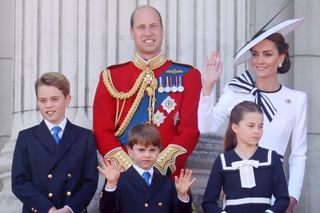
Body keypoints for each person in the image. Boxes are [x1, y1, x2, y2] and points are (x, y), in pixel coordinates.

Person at [198, 18, 307, 213]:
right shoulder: (236, 90)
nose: (259, 61)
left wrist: (291, 197)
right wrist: (207, 89)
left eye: (267, 54)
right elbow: (206, 126)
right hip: (237, 189)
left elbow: (298, 154)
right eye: (255, 54)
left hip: (275, 191)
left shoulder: (297, 99)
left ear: (281, 58)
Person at [93, 5, 201, 176]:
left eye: (153, 26)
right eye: (141, 27)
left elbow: (189, 131)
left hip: (168, 180)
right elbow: (102, 131)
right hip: (123, 179)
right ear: (131, 32)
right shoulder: (111, 77)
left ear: (162, 30)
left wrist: (158, 167)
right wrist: (130, 169)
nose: (148, 32)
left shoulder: (188, 76)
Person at [11, 72, 98, 213]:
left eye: (54, 99)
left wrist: (69, 209)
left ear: (67, 100)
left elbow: (90, 182)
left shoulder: (85, 137)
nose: (48, 105)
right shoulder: (26, 138)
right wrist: (48, 209)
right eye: (43, 100)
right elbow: (19, 183)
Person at [202, 101, 290, 213]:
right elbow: (208, 203)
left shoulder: (272, 158)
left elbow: (283, 199)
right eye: (251, 126)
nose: (257, 131)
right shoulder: (223, 161)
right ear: (235, 127)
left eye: (260, 126)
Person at [98, 123, 195, 213]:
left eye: (152, 150)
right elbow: (106, 211)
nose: (147, 155)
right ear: (130, 151)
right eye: (141, 150)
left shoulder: (167, 182)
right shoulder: (118, 180)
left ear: (158, 151)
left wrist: (182, 196)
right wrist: (110, 186)